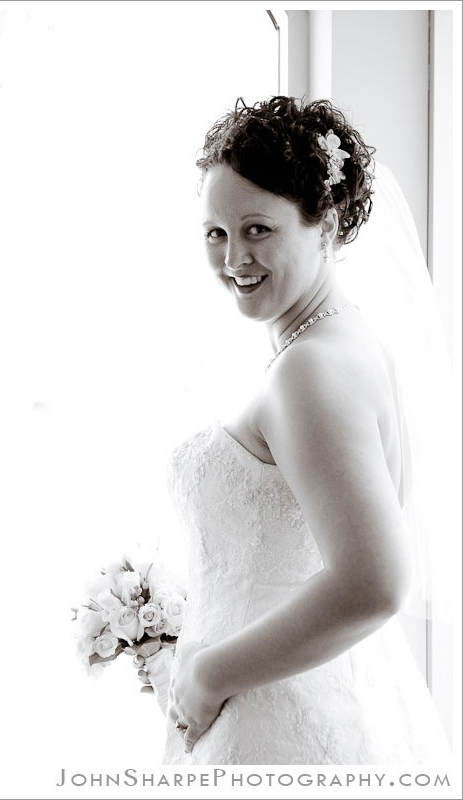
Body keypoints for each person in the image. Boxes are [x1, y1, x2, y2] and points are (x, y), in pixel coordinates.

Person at [137, 96, 453, 765]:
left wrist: (207, 674)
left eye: (257, 229)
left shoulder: (311, 370)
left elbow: (375, 582)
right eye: (215, 233)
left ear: (326, 227)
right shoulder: (345, 344)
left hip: (280, 730)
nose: (234, 257)